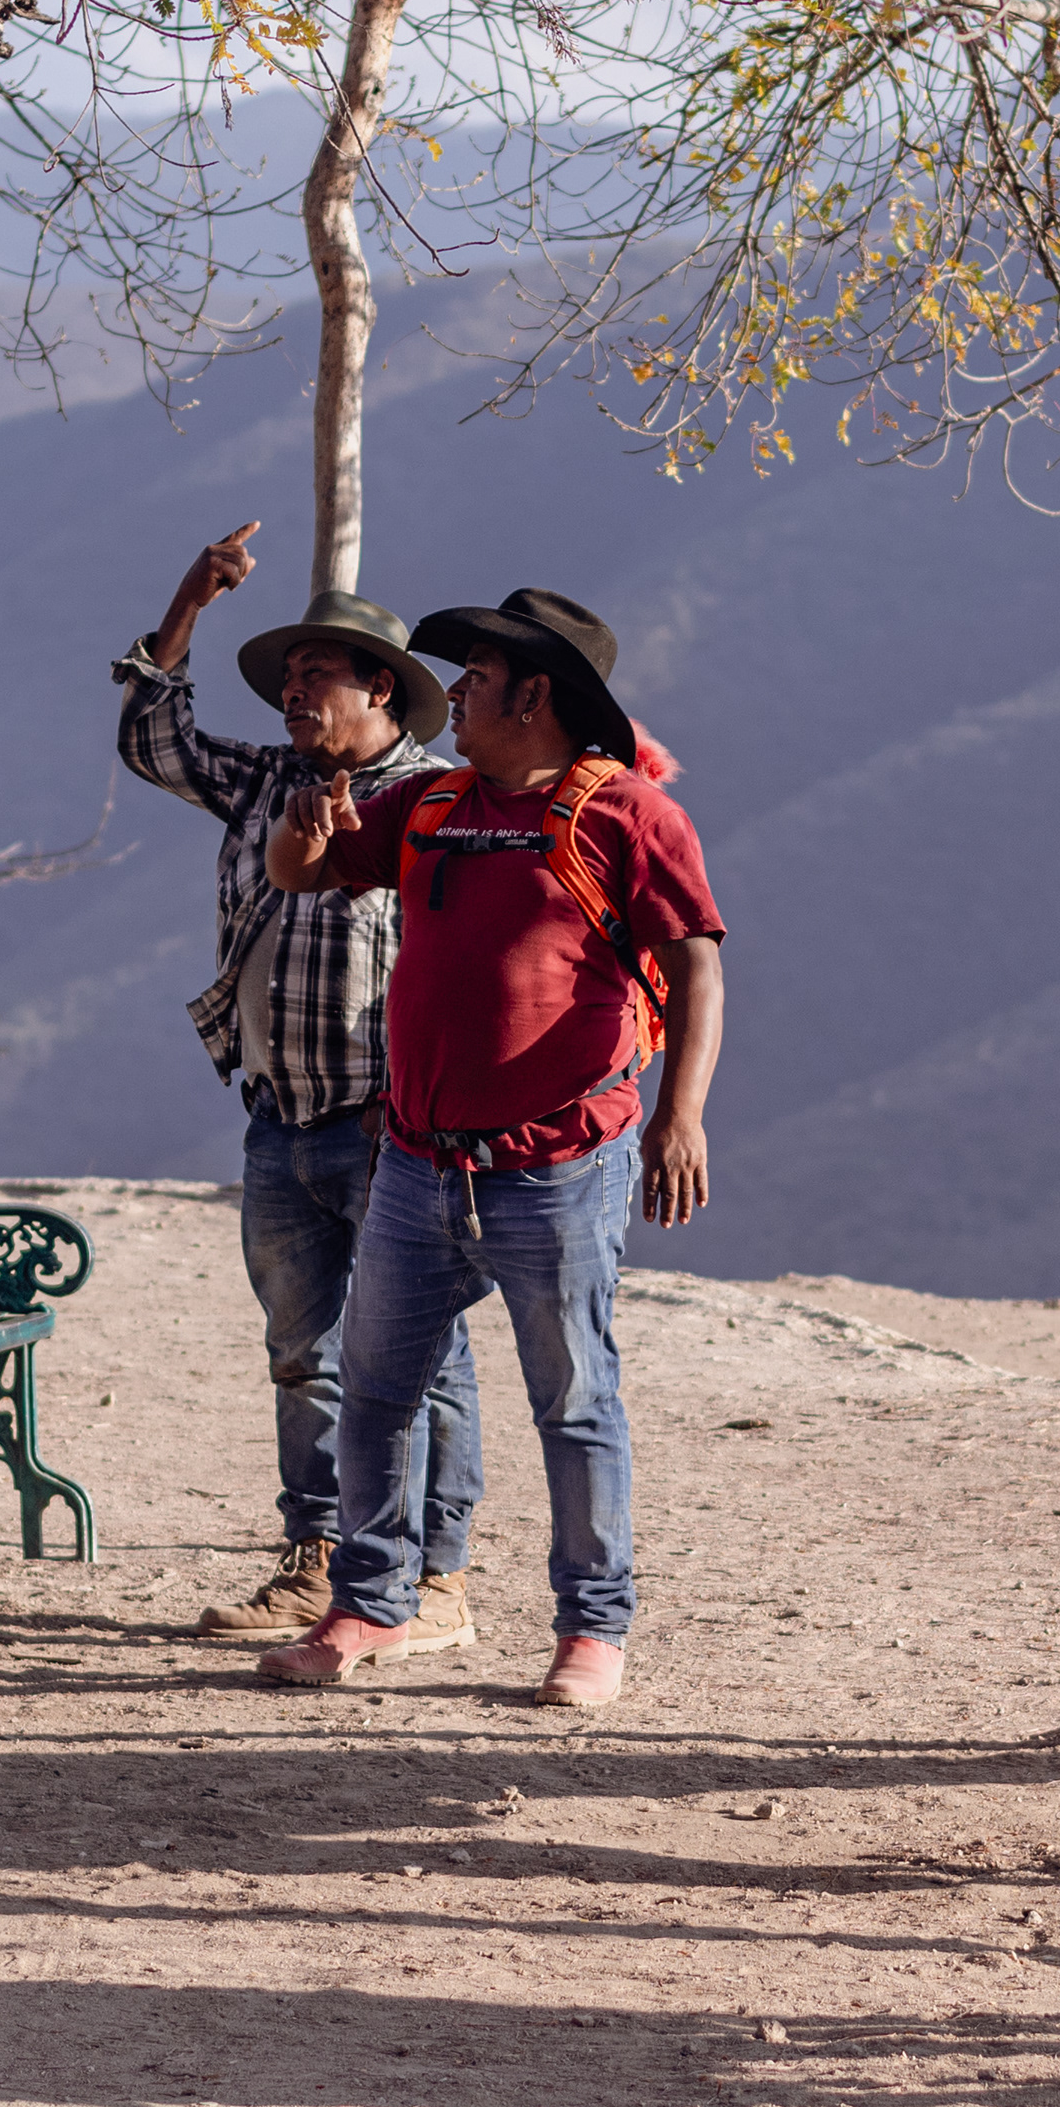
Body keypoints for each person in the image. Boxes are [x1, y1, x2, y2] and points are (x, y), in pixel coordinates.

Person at [256, 588, 725, 1708]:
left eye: (476, 676)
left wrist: (682, 1114)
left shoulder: (627, 815)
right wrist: (303, 832)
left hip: (558, 1167)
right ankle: (370, 1605)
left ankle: (592, 1630)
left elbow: (699, 963)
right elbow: (298, 874)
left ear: (537, 693)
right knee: (374, 1391)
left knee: (574, 1400)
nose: (454, 690)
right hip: (418, 1163)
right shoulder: (429, 805)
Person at [114, 524, 482, 1648]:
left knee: (423, 1346)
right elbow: (152, 741)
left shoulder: (438, 801)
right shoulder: (267, 780)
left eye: (313, 673)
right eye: (285, 677)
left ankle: (437, 1576)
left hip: (393, 1124)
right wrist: (189, 598)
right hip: (279, 1116)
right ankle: (320, 1556)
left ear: (382, 688)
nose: (291, 692)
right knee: (302, 1346)